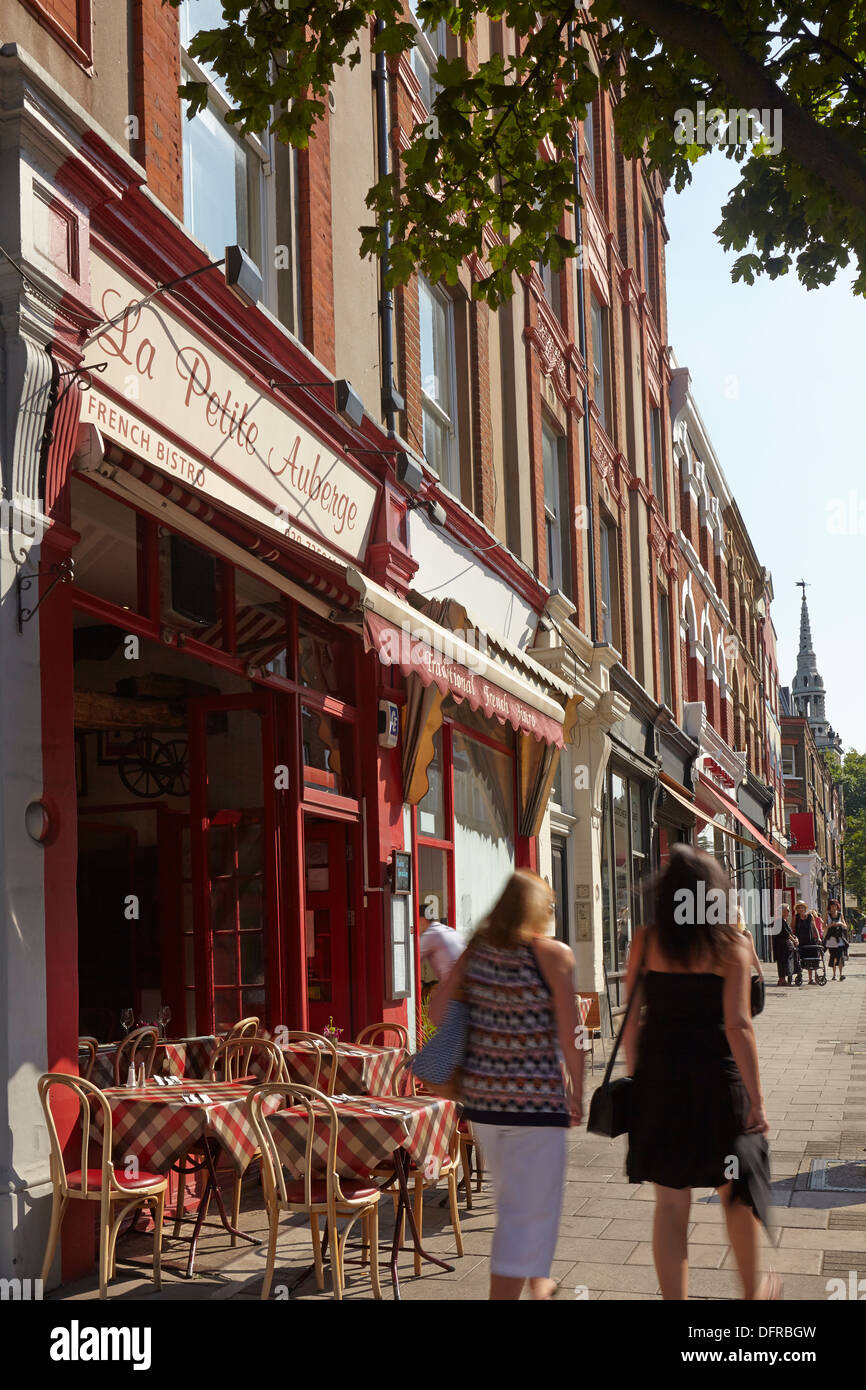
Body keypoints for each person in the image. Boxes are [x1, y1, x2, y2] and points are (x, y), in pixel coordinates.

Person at [624, 845, 777, 1301]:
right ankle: (753, 1294)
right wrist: (757, 1099)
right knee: (736, 1195)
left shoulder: (645, 940)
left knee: (671, 1205)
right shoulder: (731, 945)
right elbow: (738, 1024)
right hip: (718, 1086)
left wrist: (639, 1082)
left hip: (660, 1083)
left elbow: (630, 1020)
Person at [429, 869, 583, 1302]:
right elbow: (572, 1034)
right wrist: (577, 1089)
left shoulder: (477, 954)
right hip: (538, 1105)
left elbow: (438, 1011)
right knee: (528, 1214)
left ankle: (540, 1283)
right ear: (538, 911)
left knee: (520, 1207)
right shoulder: (553, 955)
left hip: (486, 1106)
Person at [418, 912, 462, 984]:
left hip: (453, 984)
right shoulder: (448, 930)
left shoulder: (429, 934)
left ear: (422, 920)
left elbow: (414, 960)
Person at [793, 900, 822, 984]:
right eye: (799, 908)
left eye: (802, 907)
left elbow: (814, 928)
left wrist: (819, 937)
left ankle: (811, 979)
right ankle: (800, 975)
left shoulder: (810, 916)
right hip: (800, 941)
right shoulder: (796, 917)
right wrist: (794, 939)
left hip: (810, 940)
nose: (800, 909)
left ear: (805, 908)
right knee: (801, 959)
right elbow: (793, 928)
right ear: (797, 909)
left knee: (811, 959)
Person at [823, 900, 848, 981]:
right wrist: (831, 925)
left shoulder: (840, 914)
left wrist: (840, 924)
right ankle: (834, 975)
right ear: (829, 906)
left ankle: (841, 974)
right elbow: (824, 926)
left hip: (839, 939)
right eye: (832, 906)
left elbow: (845, 926)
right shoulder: (828, 915)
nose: (833, 907)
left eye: (835, 905)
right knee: (833, 957)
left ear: (837, 906)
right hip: (831, 940)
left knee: (840, 957)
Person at [772, 903, 796, 986]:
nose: (789, 912)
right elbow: (786, 933)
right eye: (788, 910)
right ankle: (782, 980)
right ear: (782, 912)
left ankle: (781, 980)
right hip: (781, 946)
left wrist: (795, 938)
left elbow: (790, 932)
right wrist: (794, 940)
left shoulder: (783, 921)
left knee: (783, 962)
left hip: (783, 946)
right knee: (782, 963)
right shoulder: (779, 921)